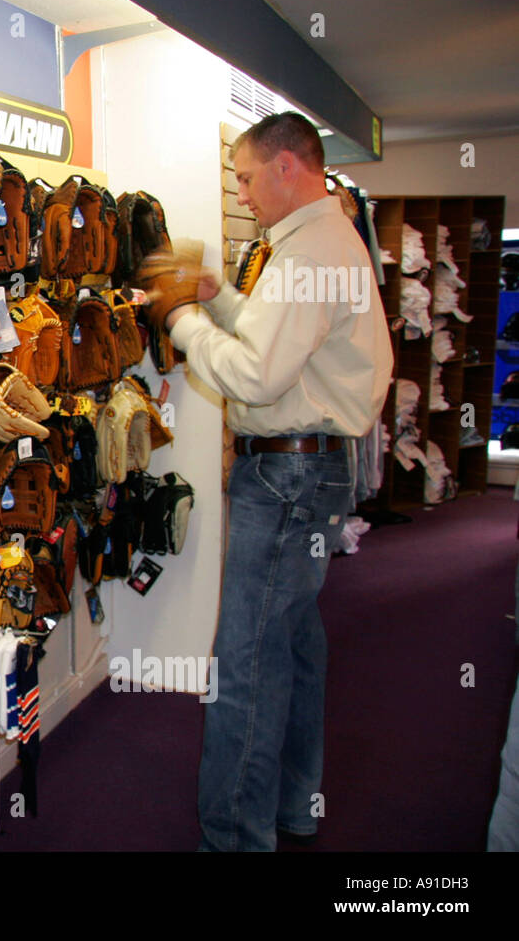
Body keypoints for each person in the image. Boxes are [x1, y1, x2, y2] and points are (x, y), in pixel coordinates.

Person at [144, 112, 394, 850]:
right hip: (311, 470)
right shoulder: (324, 242)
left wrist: (184, 320)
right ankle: (291, 805)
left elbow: (255, 372)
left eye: (247, 178)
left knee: (247, 660)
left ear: (288, 166)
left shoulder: (312, 249)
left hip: (288, 474)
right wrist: (219, 297)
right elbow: (276, 337)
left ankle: (235, 839)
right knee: (291, 643)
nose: (243, 194)